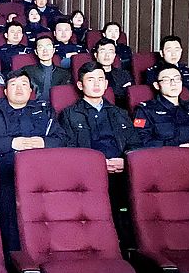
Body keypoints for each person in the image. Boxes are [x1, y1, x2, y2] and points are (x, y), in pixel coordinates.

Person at [0, 69, 67, 252]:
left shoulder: (44, 110)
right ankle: (14, 253)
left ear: (30, 90)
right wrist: (13, 143)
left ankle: (54, 249)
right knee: (8, 202)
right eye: (14, 85)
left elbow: (62, 138)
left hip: (41, 167)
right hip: (7, 166)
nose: (19, 89)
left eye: (24, 85)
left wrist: (42, 142)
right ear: (5, 91)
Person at [59, 62, 142, 248]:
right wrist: (97, 164)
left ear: (106, 84)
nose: (96, 84)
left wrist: (126, 161)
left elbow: (135, 143)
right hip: (87, 175)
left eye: (100, 79)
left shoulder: (120, 113)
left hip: (121, 172)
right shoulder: (69, 115)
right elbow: (68, 149)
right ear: (80, 85)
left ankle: (128, 249)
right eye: (90, 80)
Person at [134, 64, 189, 150]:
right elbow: (140, 140)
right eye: (166, 80)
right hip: (163, 156)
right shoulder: (145, 110)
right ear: (157, 85)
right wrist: (177, 146)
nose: (173, 83)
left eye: (177, 79)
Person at [21, 35, 71, 102]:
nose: (45, 50)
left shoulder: (64, 73)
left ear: (53, 50)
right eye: (41, 47)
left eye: (48, 46)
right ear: (36, 52)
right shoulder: (27, 71)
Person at [92, 37, 133, 106]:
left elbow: (131, 95)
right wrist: (121, 90)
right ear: (96, 55)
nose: (107, 55)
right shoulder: (91, 75)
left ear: (114, 55)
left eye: (110, 52)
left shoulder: (124, 74)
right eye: (102, 51)